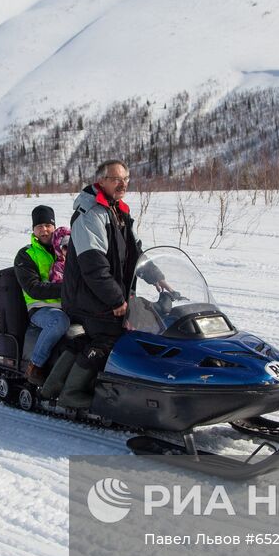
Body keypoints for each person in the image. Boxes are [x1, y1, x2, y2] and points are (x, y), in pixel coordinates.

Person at [43, 159, 166, 408]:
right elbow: (93, 266)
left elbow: (135, 250)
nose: (122, 184)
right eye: (115, 179)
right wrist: (116, 300)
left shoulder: (119, 210)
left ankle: (56, 385)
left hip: (104, 294)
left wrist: (157, 277)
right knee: (111, 336)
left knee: (144, 324)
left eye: (125, 179)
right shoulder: (91, 213)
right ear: (101, 182)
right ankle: (71, 393)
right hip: (86, 297)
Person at [13, 205, 71, 384]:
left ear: (54, 226)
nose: (44, 230)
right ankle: (35, 366)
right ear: (33, 230)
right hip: (41, 308)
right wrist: (67, 289)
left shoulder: (64, 248)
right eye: (39, 226)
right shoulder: (26, 254)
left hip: (69, 304)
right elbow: (33, 288)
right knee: (59, 321)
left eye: (48, 225)